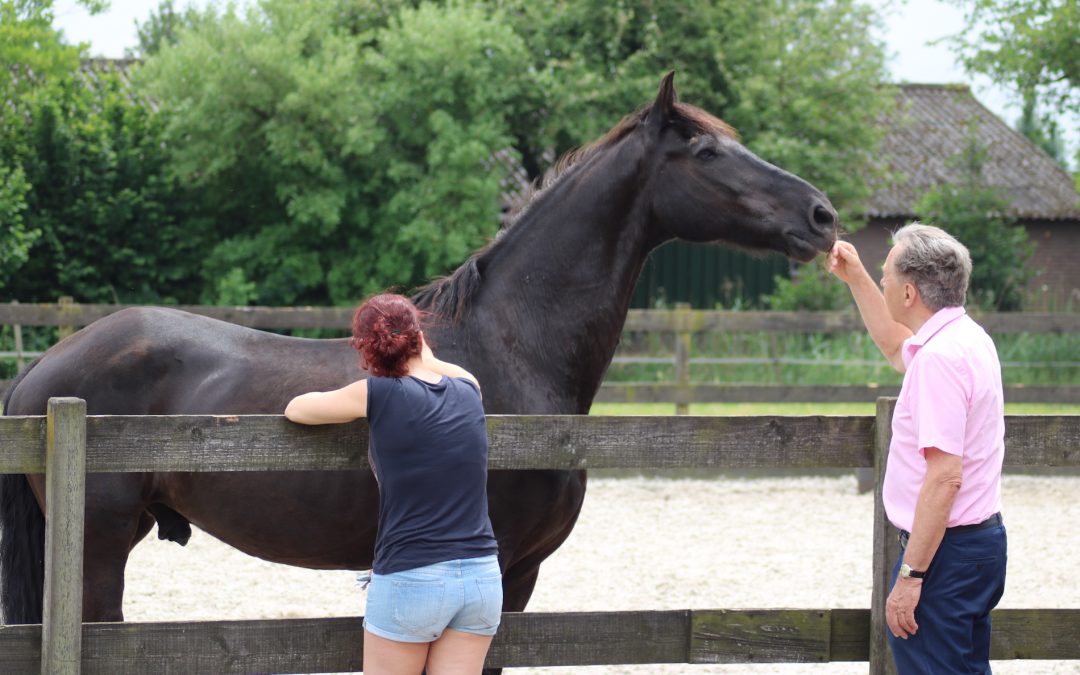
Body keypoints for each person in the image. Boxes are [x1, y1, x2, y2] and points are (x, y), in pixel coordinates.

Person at [284, 293, 501, 675]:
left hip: (413, 576)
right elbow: (447, 370)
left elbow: (297, 408)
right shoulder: (469, 390)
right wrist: (422, 354)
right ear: (419, 337)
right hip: (482, 577)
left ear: (369, 348)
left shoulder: (376, 393)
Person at [828, 223, 1007, 674]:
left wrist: (911, 577)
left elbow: (945, 476)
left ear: (909, 293)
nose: (882, 279)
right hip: (976, 546)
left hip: (946, 556)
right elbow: (893, 345)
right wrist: (857, 279)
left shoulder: (939, 360)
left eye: (886, 273)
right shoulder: (967, 338)